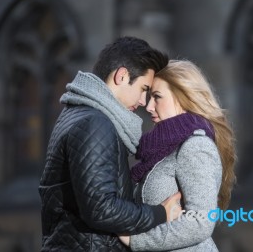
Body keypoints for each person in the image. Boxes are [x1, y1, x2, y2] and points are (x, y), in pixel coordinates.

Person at [39, 37, 182, 251]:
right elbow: (101, 209)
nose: (144, 101)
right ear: (122, 76)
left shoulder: (79, 114)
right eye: (143, 88)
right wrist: (161, 213)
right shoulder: (94, 123)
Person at [119, 60, 237, 251]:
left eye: (157, 97)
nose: (148, 106)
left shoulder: (195, 146)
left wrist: (136, 240)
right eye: (149, 97)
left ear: (183, 98)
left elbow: (201, 223)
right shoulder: (161, 150)